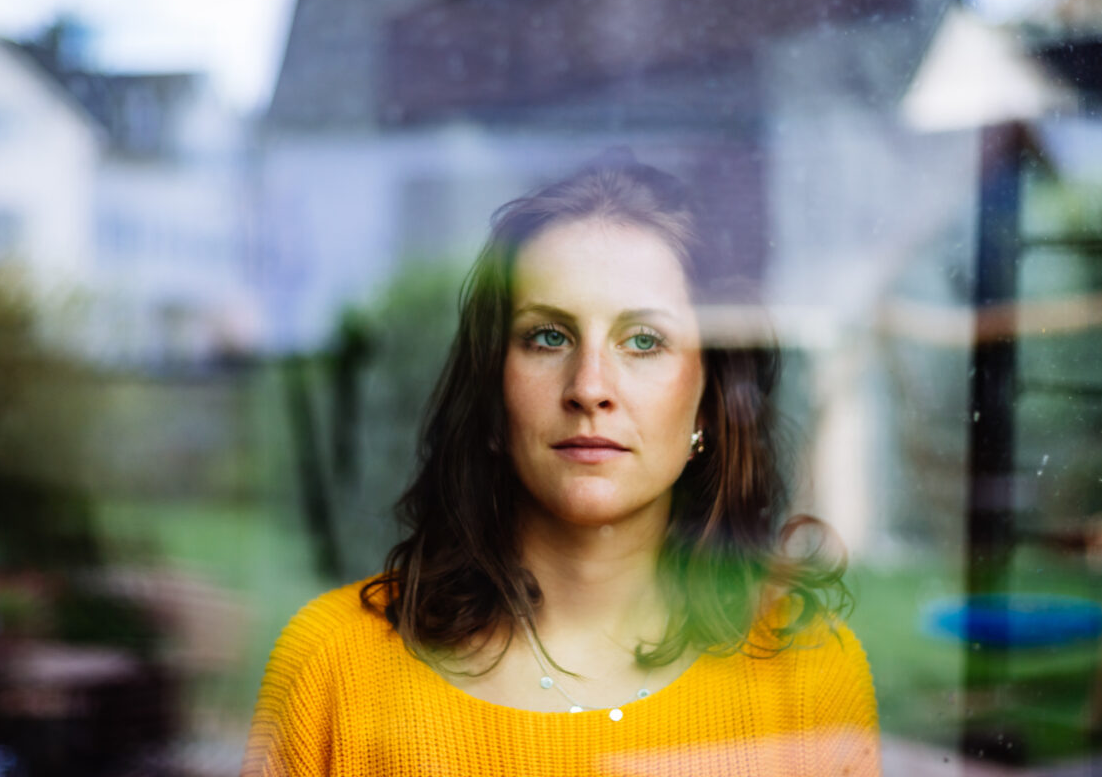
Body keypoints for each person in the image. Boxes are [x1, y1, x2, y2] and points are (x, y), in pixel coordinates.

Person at [242, 153, 881, 776]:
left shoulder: (808, 674)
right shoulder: (331, 667)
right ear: (493, 392)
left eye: (643, 341)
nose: (589, 386)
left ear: (709, 405)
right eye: (549, 336)